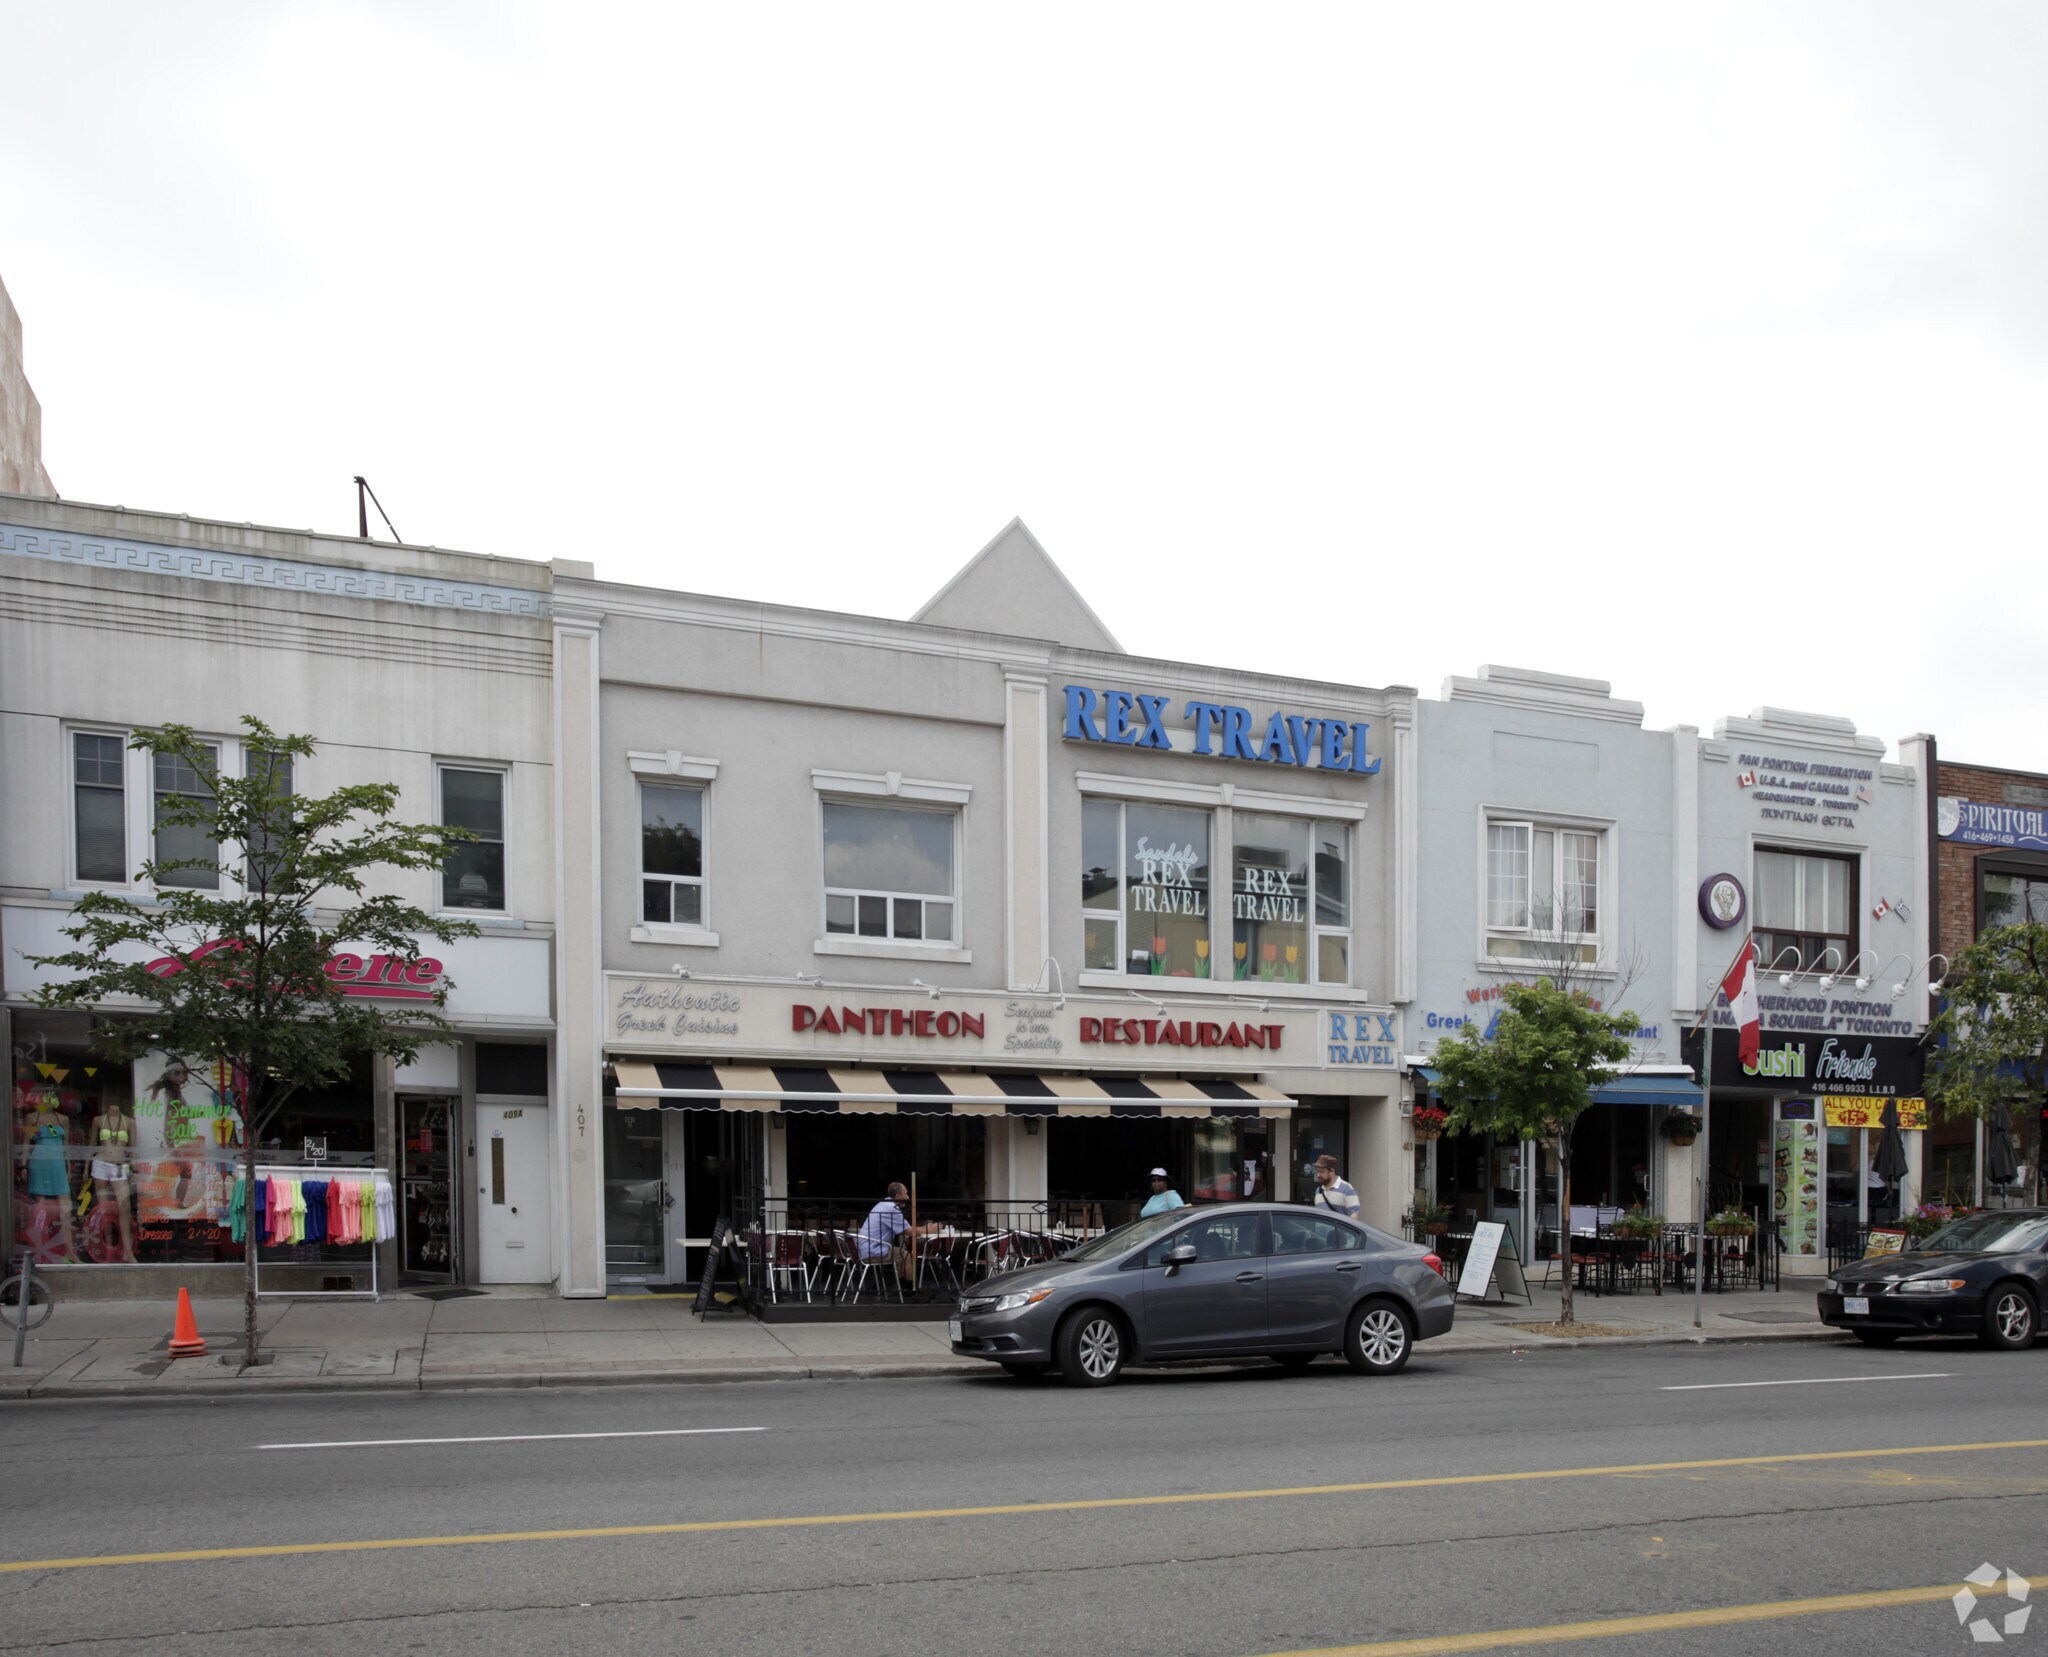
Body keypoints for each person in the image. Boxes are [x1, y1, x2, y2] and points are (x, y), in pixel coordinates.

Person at [854, 1181, 940, 1295]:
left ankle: (900, 1288)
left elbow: (906, 1229)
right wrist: (931, 1229)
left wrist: (924, 1228)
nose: (908, 1197)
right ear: (898, 1196)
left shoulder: (883, 1204)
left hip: (864, 1249)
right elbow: (909, 1231)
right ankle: (910, 1291)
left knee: (900, 1253)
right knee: (906, 1255)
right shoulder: (891, 1209)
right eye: (906, 1194)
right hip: (872, 1251)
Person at [1312, 1154, 1360, 1219]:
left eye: (1322, 1172)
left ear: (1332, 1171)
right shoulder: (1318, 1191)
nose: (1318, 1175)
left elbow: (1354, 1216)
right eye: (1317, 1172)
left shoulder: (1347, 1189)